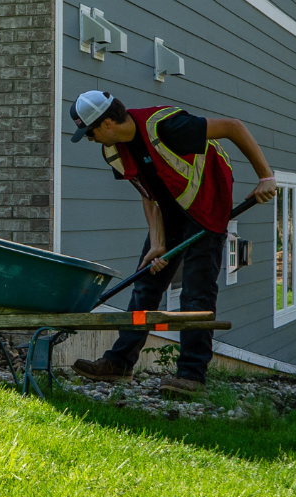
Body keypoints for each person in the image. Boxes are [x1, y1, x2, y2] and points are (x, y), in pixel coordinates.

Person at [68, 90, 277, 395]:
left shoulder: (167, 127)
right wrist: (158, 242)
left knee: (196, 293)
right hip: (171, 209)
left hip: (207, 206)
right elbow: (147, 193)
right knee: (146, 286)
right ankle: (119, 364)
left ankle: (192, 376)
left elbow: (233, 127)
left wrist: (266, 177)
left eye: (90, 132)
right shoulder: (114, 150)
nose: (90, 139)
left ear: (108, 123)